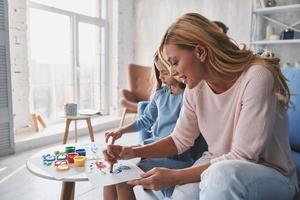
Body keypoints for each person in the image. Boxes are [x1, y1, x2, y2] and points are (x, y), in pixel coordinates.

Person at [103, 13, 298, 200]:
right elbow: (180, 140)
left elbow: (243, 156)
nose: (173, 72)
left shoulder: (257, 76)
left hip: (270, 173)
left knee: (221, 176)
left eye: (174, 62)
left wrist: (174, 176)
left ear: (201, 52)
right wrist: (133, 151)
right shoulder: (195, 88)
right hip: (215, 164)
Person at [103, 52, 195, 200]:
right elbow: (145, 120)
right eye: (158, 72)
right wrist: (121, 131)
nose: (160, 77)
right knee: (109, 176)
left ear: (175, 69)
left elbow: (181, 142)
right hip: (151, 148)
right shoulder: (160, 95)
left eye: (164, 72)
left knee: (122, 181)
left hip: (177, 156)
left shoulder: (189, 96)